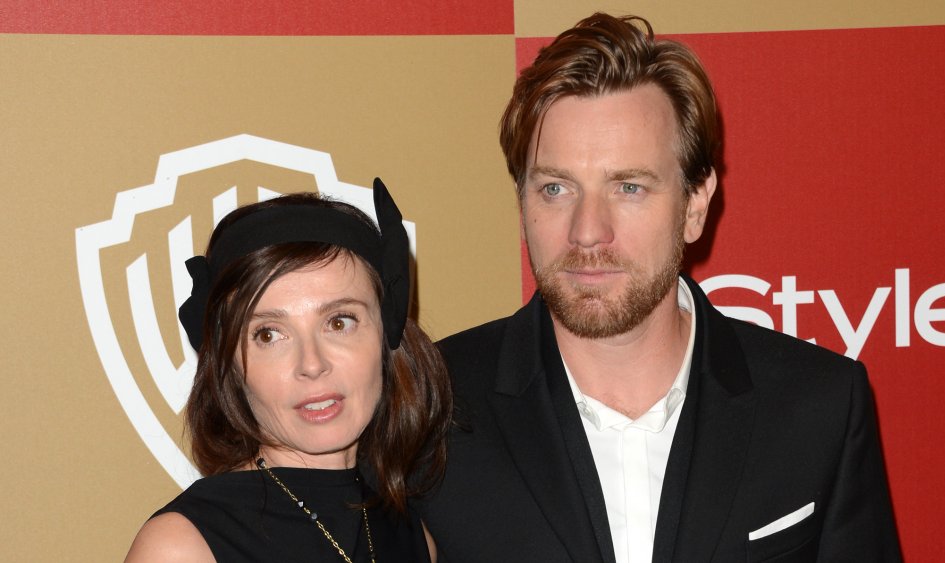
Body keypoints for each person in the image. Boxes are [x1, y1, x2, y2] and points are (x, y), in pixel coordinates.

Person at [417, 13, 901, 562]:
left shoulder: (818, 405)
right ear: (522, 200)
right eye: (555, 187)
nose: (587, 231)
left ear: (696, 204)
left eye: (628, 187)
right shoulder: (430, 409)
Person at [125, 180, 451, 562]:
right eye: (268, 334)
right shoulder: (181, 547)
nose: (312, 364)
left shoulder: (412, 535)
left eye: (339, 322)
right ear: (229, 365)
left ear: (387, 334)